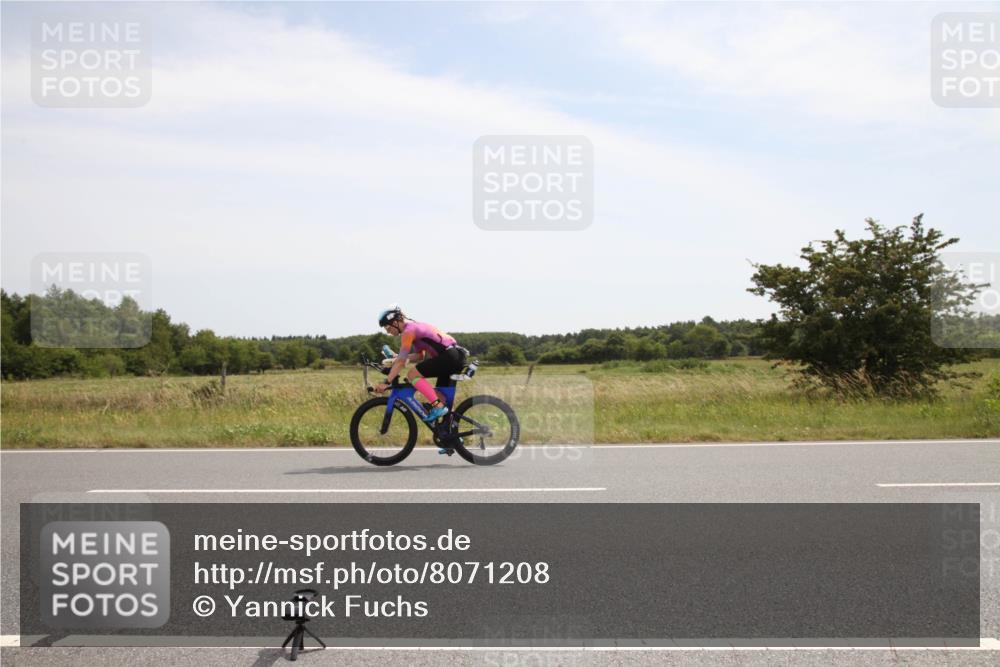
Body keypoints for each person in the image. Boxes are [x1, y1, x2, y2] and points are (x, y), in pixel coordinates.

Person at [373, 305, 467, 426]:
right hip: (453, 357)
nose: (387, 331)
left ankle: (438, 407)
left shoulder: (408, 331)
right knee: (441, 397)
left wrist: (386, 382)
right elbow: (419, 356)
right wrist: (399, 357)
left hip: (449, 357)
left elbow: (402, 362)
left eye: (387, 326)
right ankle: (451, 435)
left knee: (412, 374)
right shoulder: (413, 328)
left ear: (395, 322)